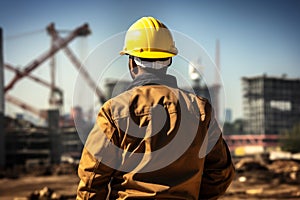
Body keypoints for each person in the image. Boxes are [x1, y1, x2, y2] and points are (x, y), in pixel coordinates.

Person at [76, 16, 235, 200]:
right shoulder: (199, 110)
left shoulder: (114, 111)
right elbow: (220, 173)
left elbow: (92, 178)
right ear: (169, 61)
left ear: (132, 62)